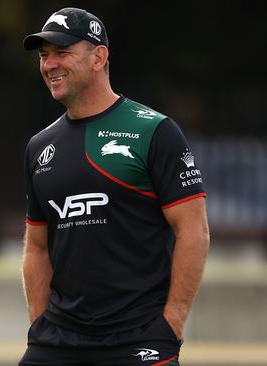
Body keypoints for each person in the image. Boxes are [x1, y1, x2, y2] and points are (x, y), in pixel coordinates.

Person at [19, 7, 209, 366]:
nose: (49, 64)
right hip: (58, 339)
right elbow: (37, 248)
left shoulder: (154, 130)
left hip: (139, 337)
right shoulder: (39, 147)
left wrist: (173, 323)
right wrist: (39, 324)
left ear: (99, 57)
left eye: (62, 52)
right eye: (44, 56)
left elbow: (194, 230)